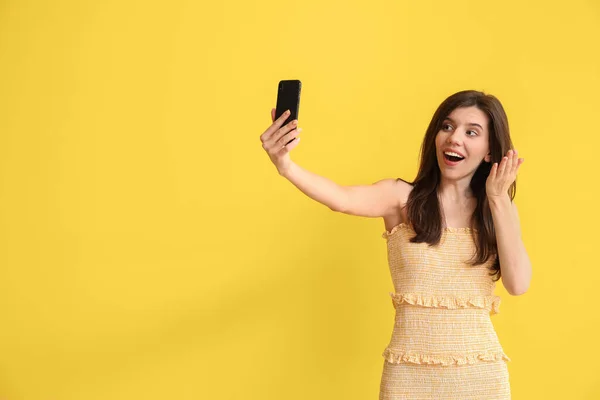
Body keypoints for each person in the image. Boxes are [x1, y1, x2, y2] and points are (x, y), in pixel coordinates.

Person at [259, 90, 532, 399]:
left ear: (489, 151)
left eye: (472, 132)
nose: (454, 138)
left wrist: (498, 199)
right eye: (447, 126)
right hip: (408, 379)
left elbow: (518, 283)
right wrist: (286, 166)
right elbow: (341, 199)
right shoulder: (402, 198)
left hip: (481, 379)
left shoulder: (498, 211)